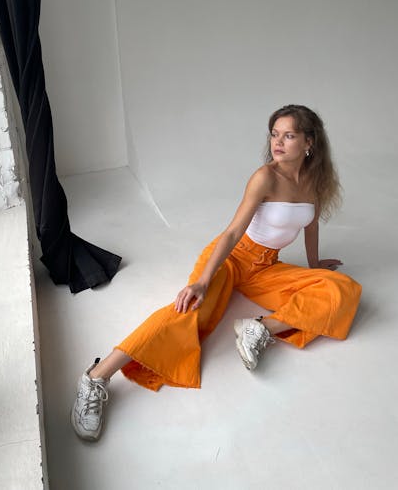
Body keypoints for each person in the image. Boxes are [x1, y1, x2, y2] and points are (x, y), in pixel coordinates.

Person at [71, 104, 362, 441]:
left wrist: (314, 267)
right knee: (187, 312)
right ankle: (95, 377)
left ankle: (259, 329)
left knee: (342, 288)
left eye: (289, 135)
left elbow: (310, 225)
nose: (277, 142)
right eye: (274, 134)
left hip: (265, 266)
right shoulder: (265, 177)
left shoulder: (313, 179)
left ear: (309, 143)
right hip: (231, 259)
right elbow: (231, 233)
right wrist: (202, 281)